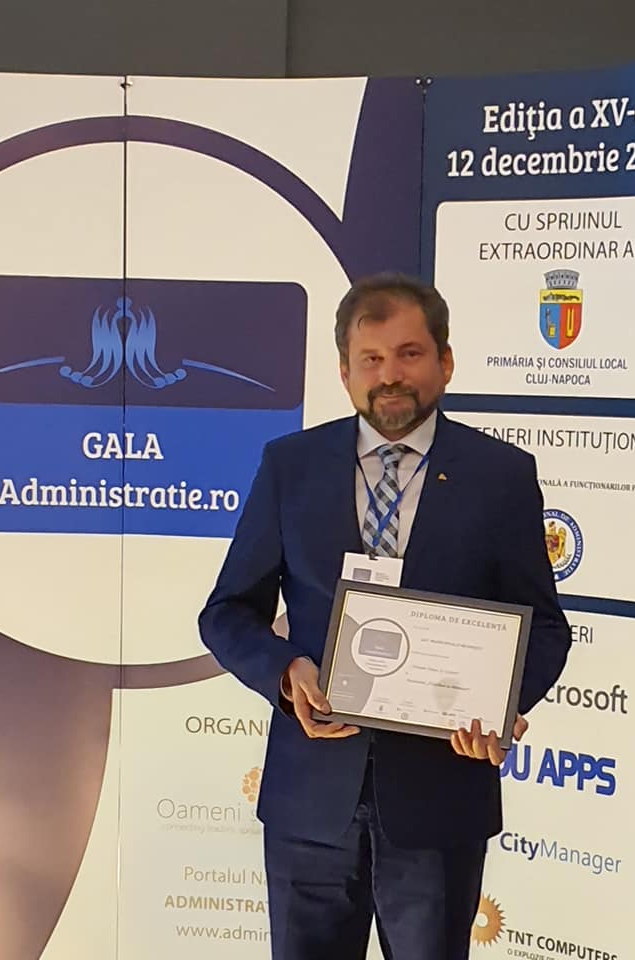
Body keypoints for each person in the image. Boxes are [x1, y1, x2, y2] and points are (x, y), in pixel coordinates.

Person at [199, 273, 571, 960]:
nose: (389, 375)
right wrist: (286, 672)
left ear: (445, 362)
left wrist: (503, 703)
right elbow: (226, 613)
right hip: (310, 807)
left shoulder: (501, 475)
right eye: (370, 359)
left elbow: (545, 627)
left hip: (440, 802)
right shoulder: (290, 466)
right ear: (344, 372)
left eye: (409, 354)